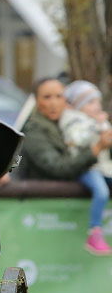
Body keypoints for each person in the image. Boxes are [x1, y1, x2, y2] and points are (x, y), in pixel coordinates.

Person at [21, 77, 112, 254]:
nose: (54, 103)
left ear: (67, 100)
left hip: (65, 223)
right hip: (36, 216)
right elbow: (57, 167)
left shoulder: (77, 123)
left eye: (59, 96)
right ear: (37, 101)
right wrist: (96, 148)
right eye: (47, 97)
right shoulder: (34, 129)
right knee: (18, 272)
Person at [59, 80, 112, 255]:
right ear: (79, 104)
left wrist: (103, 125)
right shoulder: (72, 119)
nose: (96, 106)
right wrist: (97, 125)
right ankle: (94, 232)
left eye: (97, 101)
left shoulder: (94, 120)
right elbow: (78, 139)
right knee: (102, 192)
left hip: (103, 167)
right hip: (85, 167)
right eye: (90, 102)